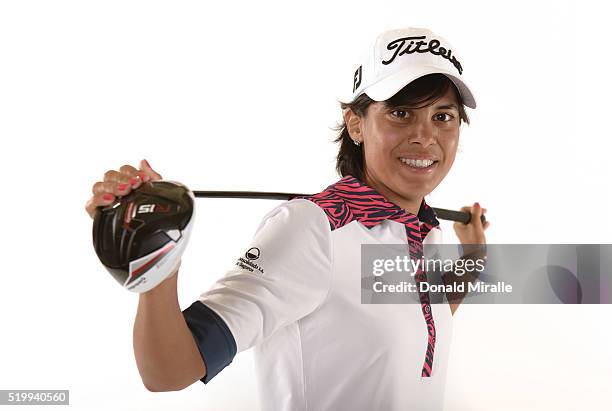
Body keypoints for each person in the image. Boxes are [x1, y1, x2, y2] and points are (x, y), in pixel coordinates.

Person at [85, 27, 489, 411]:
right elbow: (168, 371)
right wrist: (159, 270)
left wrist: (473, 256)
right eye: (401, 112)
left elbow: (420, 318)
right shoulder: (312, 229)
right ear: (355, 124)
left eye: (443, 116)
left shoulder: (425, 229)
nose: (425, 135)